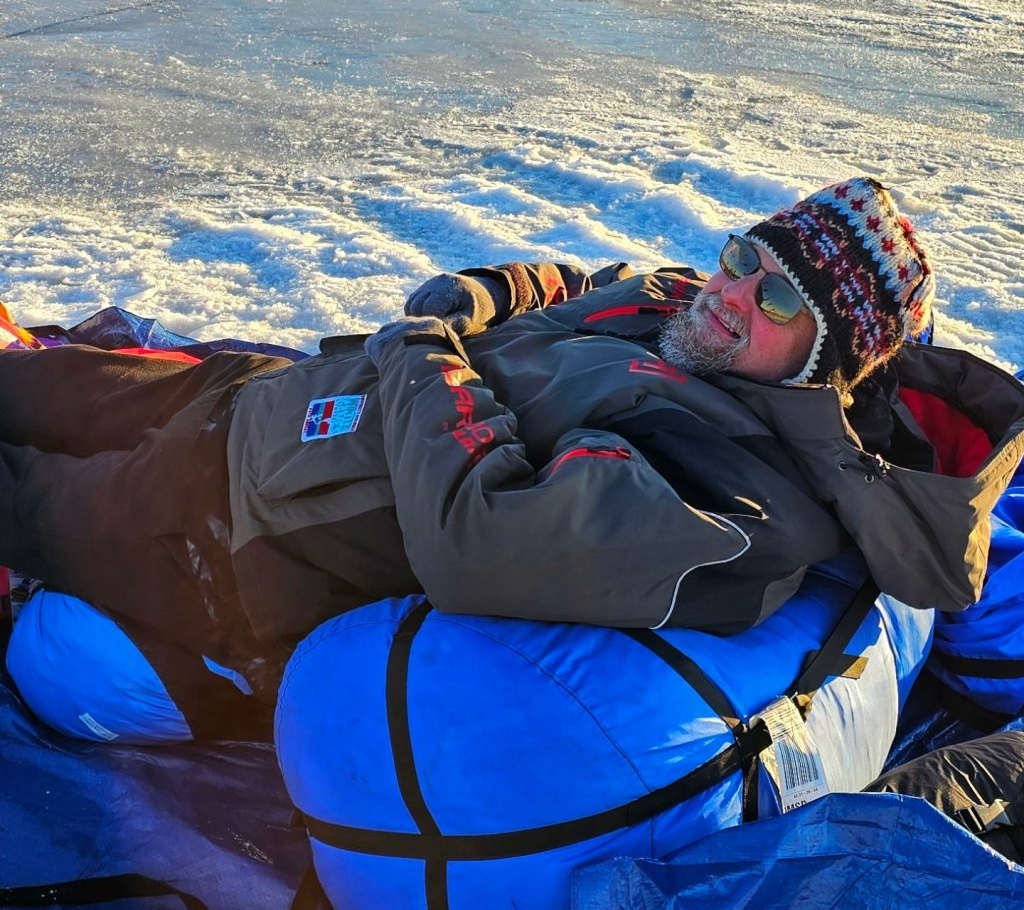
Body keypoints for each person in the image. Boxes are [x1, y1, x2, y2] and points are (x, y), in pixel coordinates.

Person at [1, 177, 1022, 714]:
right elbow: (580, 279)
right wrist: (476, 295)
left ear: (828, 358)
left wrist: (419, 354)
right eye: (743, 252)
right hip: (267, 397)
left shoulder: (742, 500)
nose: (733, 287)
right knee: (26, 377)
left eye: (779, 296)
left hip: (228, 528)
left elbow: (480, 534)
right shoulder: (686, 310)